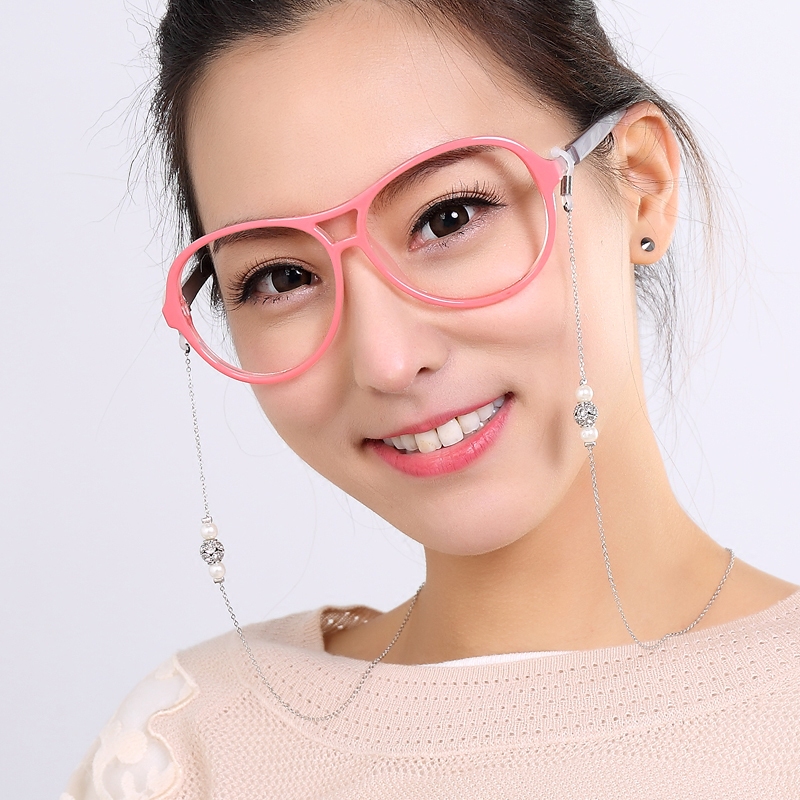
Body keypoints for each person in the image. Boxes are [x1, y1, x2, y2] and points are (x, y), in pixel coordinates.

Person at [63, 0, 800, 797]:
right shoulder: (187, 751)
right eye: (283, 276)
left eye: (449, 218)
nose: (385, 360)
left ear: (643, 184)